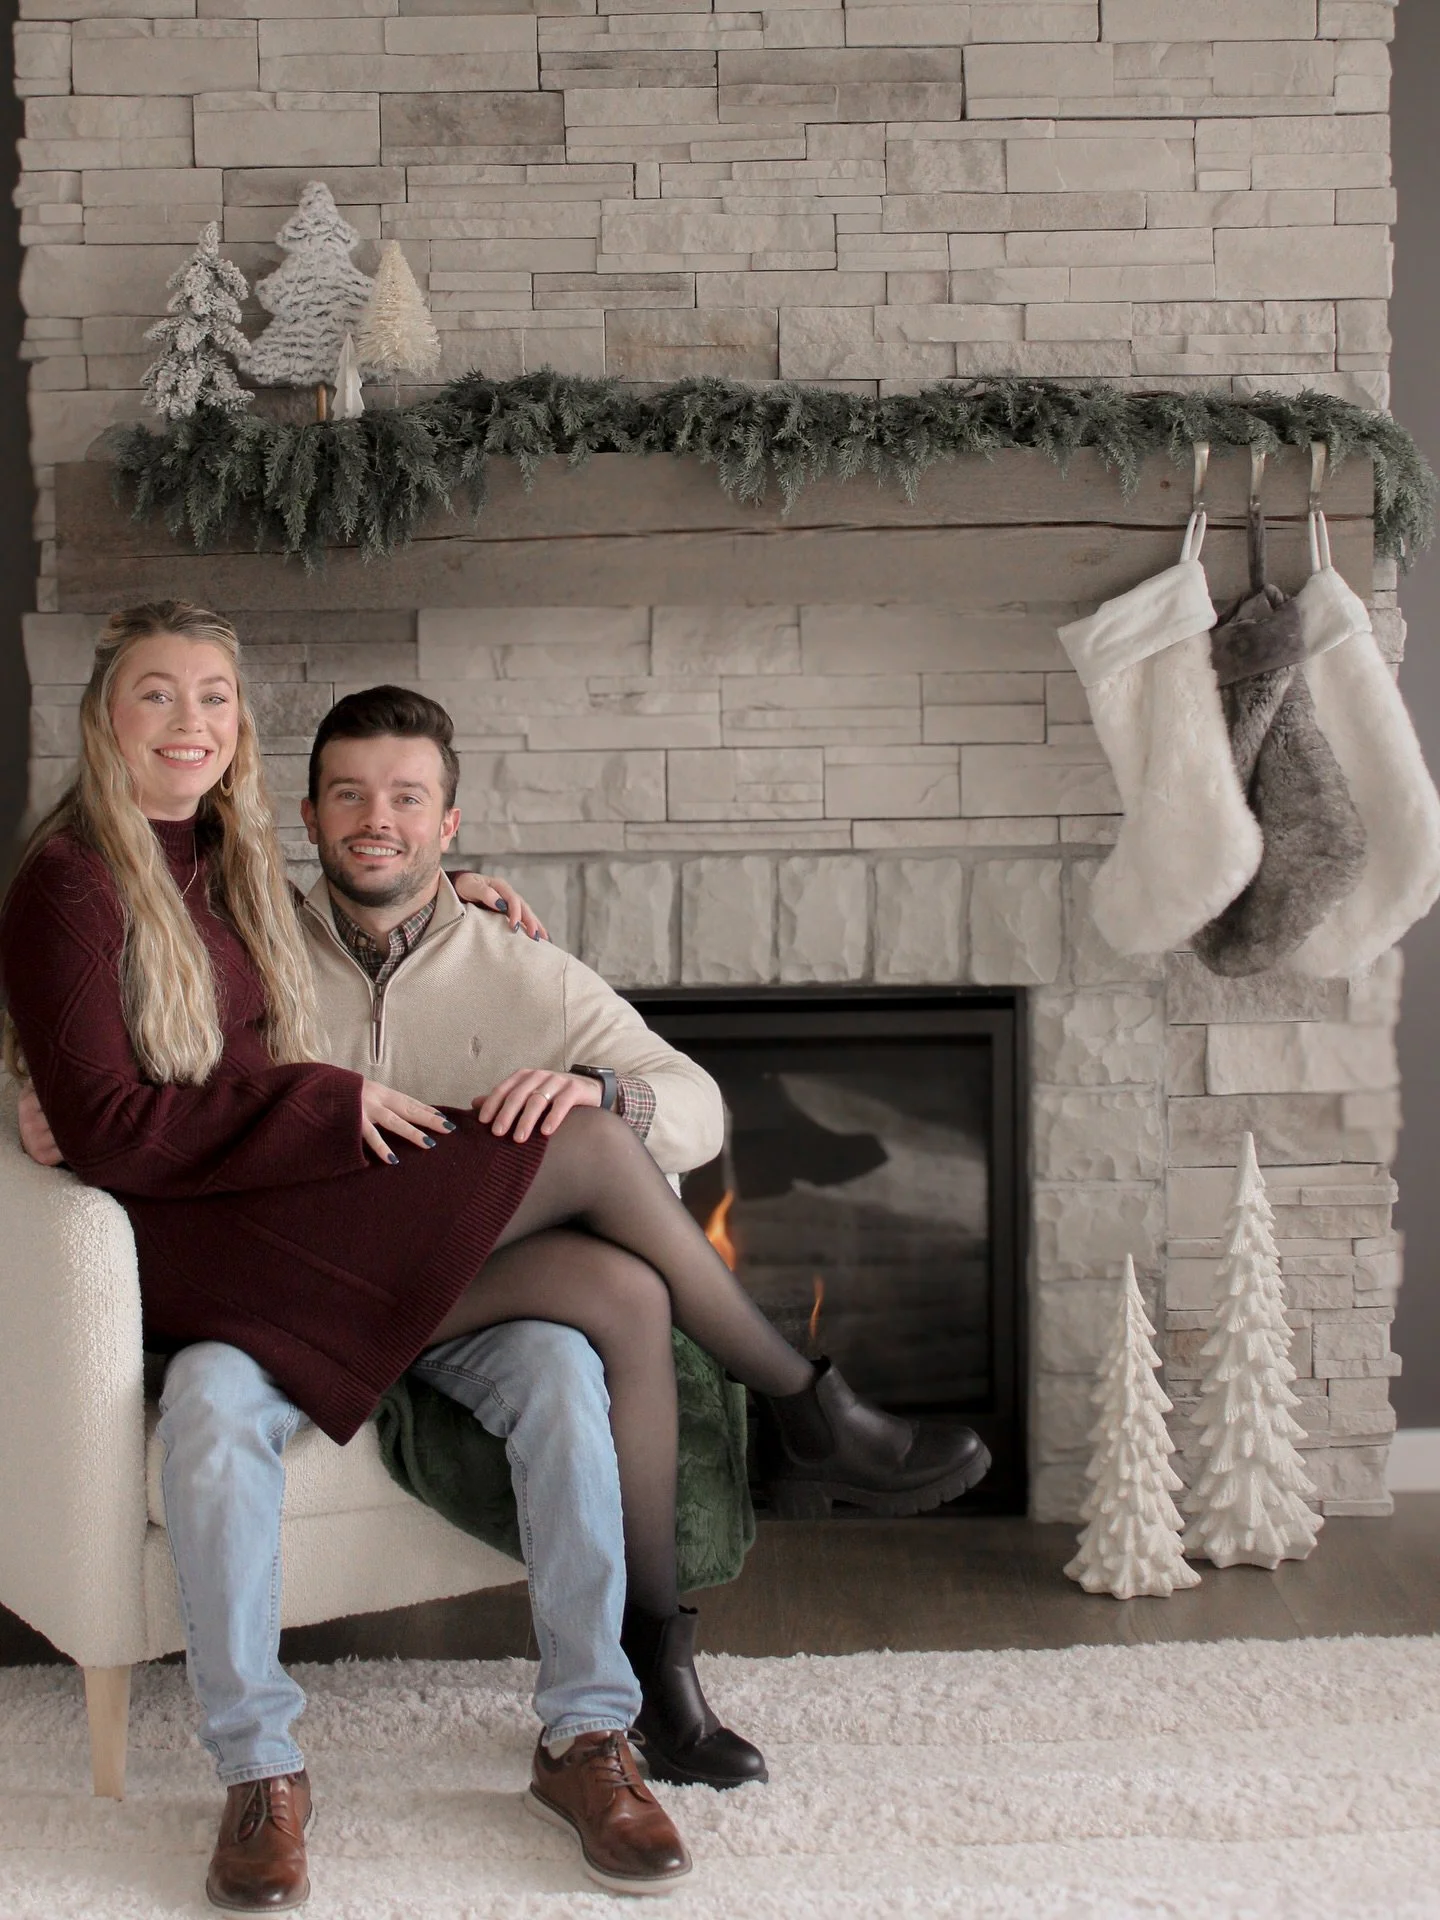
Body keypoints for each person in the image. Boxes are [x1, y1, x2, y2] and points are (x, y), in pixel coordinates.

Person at [3, 605, 990, 1904]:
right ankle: (807, 1412)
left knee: (613, 1275)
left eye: (408, 801)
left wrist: (591, 1074)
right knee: (581, 1183)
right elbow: (102, 1067)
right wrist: (36, 1094)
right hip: (264, 1256)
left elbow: (685, 1101)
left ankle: (607, 1719)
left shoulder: (278, 887)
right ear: (304, 813)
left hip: (375, 1254)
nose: (379, 821)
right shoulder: (206, 898)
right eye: (350, 796)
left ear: (449, 827)